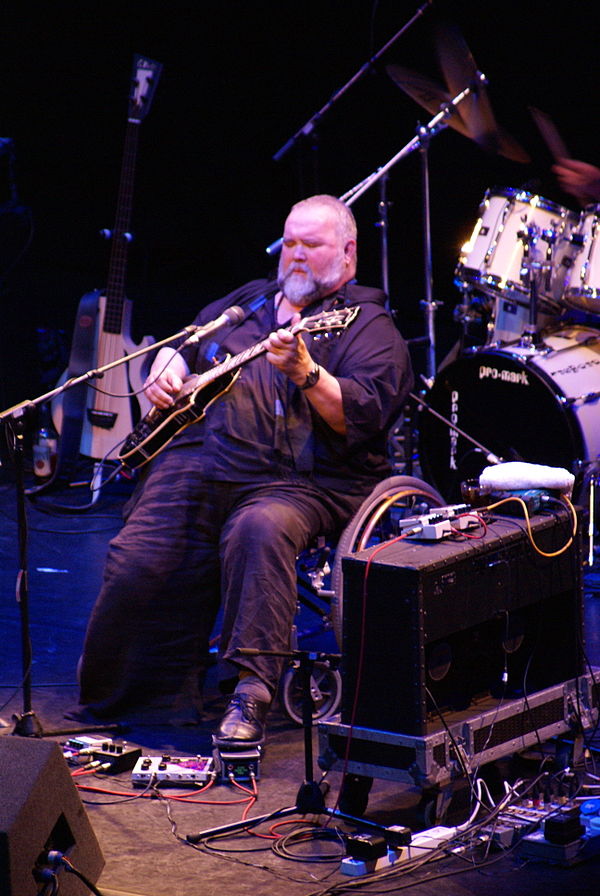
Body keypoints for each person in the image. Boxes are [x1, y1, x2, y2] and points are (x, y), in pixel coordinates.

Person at [72, 194, 414, 747]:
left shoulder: (367, 325)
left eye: (313, 244)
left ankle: (250, 694)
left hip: (306, 480)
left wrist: (307, 373)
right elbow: (189, 340)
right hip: (210, 460)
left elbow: (363, 415)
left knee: (258, 529)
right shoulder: (252, 302)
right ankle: (132, 695)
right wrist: (167, 366)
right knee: (141, 556)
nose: (296, 255)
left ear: (348, 253)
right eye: (291, 243)